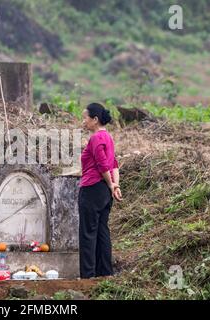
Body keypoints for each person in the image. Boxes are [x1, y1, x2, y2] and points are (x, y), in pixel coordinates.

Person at [79, 102, 122, 279]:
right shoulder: (108, 137)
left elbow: (103, 164)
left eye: (85, 118)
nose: (83, 122)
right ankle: (104, 272)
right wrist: (114, 185)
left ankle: (88, 276)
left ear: (95, 119)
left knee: (88, 233)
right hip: (104, 191)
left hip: (92, 188)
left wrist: (111, 184)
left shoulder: (96, 138)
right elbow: (114, 164)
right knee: (102, 231)